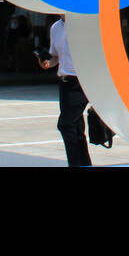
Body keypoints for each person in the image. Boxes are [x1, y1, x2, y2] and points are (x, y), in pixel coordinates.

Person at [37, 15, 91, 167]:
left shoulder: (86, 24)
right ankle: (84, 164)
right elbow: (56, 55)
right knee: (76, 128)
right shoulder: (56, 27)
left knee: (66, 125)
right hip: (65, 82)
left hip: (82, 81)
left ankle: (75, 164)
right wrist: (48, 63)